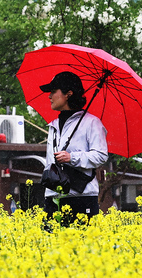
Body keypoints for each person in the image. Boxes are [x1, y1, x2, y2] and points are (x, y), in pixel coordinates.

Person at [40, 71, 108, 227]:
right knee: (50, 248)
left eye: (53, 91)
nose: (49, 96)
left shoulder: (91, 123)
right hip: (53, 196)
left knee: (81, 249)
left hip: (81, 197)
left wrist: (72, 158)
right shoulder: (53, 125)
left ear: (68, 94)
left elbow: (101, 155)